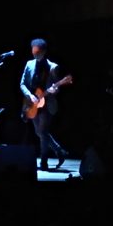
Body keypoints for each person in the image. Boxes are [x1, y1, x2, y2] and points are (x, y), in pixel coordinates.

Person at [19, 38, 69, 171]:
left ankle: (44, 161)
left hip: (47, 104)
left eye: (38, 52)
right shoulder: (29, 64)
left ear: (44, 51)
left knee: (42, 131)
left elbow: (57, 87)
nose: (35, 54)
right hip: (33, 103)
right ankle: (59, 150)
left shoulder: (53, 67)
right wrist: (29, 95)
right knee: (40, 132)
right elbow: (22, 83)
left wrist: (54, 90)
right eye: (33, 51)